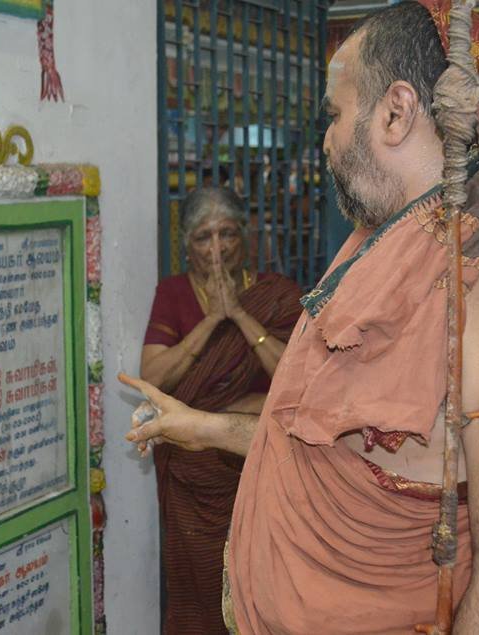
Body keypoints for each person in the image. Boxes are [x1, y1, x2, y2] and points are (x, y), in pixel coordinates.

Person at [121, 2, 479, 632]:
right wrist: (205, 427)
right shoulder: (380, 244)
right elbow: (335, 447)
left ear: (396, 111)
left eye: (334, 112)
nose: (325, 138)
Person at [138, 186, 302, 634]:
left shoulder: (274, 296)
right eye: (203, 237)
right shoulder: (173, 294)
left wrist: (241, 317)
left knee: (263, 582)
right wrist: (212, 320)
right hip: (193, 478)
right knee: (199, 591)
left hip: (258, 466)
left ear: (244, 236)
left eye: (227, 234)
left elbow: (300, 379)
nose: (216, 247)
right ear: (186, 245)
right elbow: (153, 379)